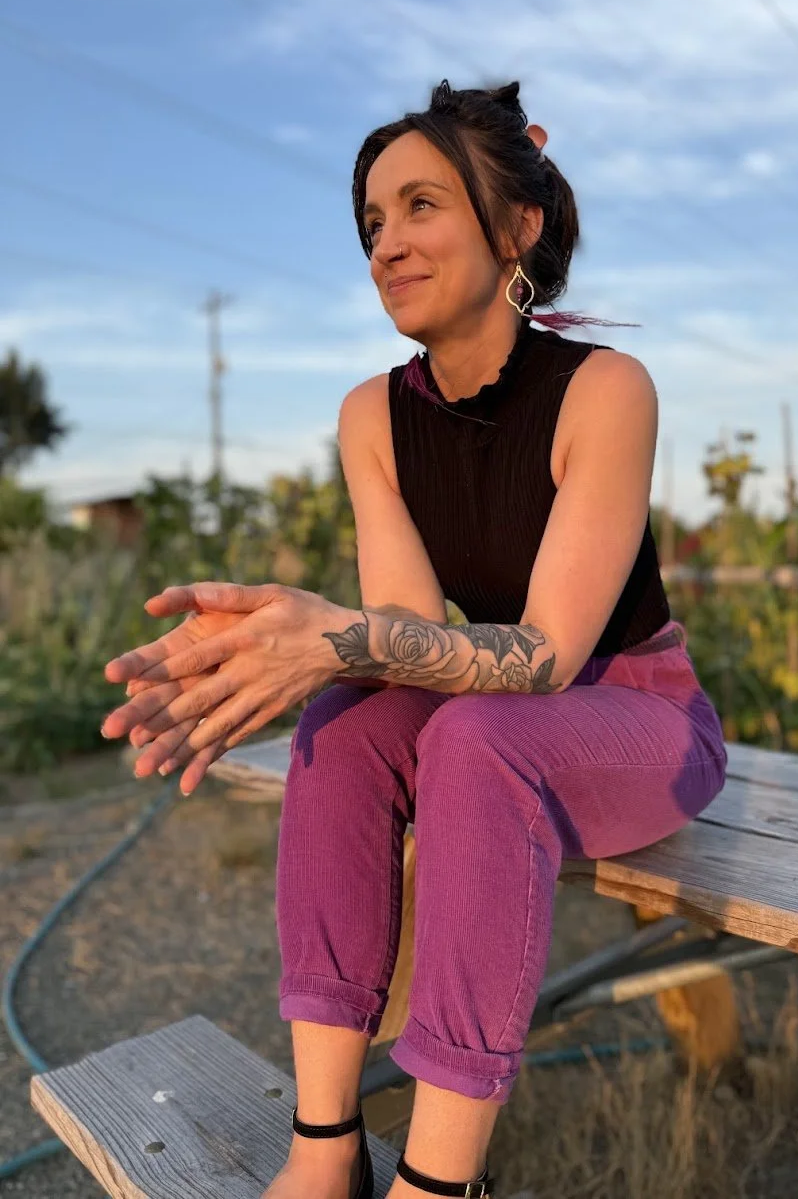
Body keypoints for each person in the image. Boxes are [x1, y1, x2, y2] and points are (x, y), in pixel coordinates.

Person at [100, 79, 728, 1199]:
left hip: (637, 712)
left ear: (515, 227)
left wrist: (338, 634)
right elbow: (400, 644)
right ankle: (325, 1146)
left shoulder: (604, 390)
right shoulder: (369, 416)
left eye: (421, 205)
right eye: (372, 222)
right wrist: (301, 650)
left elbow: (540, 656)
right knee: (346, 723)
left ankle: (441, 1183)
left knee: (481, 736)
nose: (387, 242)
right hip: (500, 720)